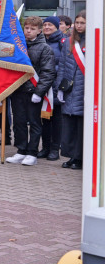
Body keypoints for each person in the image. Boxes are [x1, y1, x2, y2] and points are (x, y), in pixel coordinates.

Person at [6, 16, 55, 166]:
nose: (28, 31)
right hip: (17, 90)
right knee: (19, 122)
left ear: (39, 31)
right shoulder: (17, 45)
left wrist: (38, 92)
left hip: (33, 92)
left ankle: (32, 152)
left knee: (34, 123)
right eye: (26, 28)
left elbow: (48, 73)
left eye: (32, 29)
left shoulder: (45, 48)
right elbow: (5, 62)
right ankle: (21, 150)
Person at [59, 11, 86, 170]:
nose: (79, 26)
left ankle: (80, 157)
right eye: (77, 23)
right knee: (69, 126)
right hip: (70, 88)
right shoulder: (68, 42)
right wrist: (60, 88)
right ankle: (71, 156)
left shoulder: (94, 41)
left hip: (84, 90)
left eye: (83, 23)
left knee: (81, 126)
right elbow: (62, 66)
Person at [38, 16, 66, 161]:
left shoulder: (63, 42)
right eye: (45, 25)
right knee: (44, 119)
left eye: (50, 25)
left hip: (56, 86)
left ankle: (55, 149)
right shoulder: (41, 41)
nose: (47, 27)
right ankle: (45, 148)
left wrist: (59, 86)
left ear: (56, 27)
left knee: (56, 120)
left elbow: (63, 65)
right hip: (43, 86)